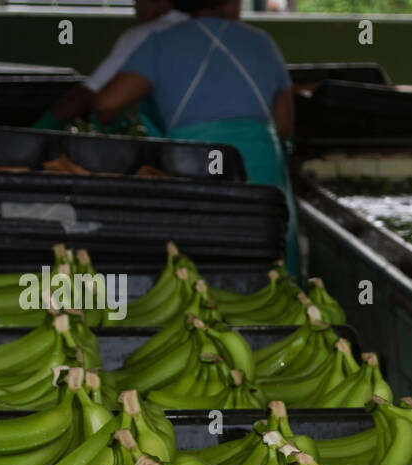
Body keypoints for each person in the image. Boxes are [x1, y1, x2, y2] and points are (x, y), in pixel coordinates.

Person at [93, 0, 300, 275]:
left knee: (198, 262)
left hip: (193, 167)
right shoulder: (261, 42)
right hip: (259, 170)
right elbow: (285, 125)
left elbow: (106, 105)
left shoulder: (160, 42)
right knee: (266, 263)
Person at [35, 0, 187, 130]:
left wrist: (41, 129)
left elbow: (92, 96)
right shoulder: (201, 28)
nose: (135, 7)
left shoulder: (147, 34)